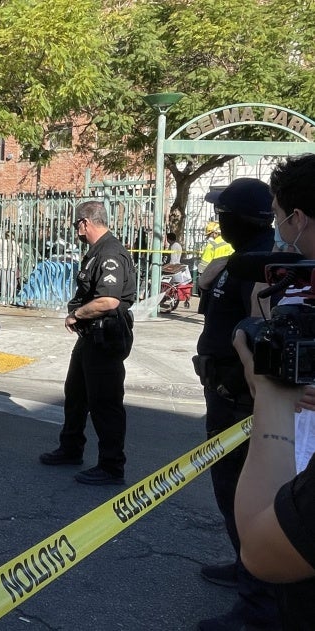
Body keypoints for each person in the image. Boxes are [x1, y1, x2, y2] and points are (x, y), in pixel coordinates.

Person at [192, 178, 280, 631]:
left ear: (239, 219)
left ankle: (257, 602)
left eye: (222, 213)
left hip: (238, 400)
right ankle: (246, 563)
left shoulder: (260, 265)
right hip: (225, 391)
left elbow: (263, 334)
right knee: (230, 493)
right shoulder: (245, 258)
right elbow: (209, 290)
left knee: (241, 492)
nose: (217, 220)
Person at [233, 153, 315, 630]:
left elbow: (260, 548)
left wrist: (269, 396)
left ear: (296, 217)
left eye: (279, 211)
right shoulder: (296, 276)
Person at [39, 200, 135, 486]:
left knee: (105, 403)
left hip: (105, 338)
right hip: (90, 337)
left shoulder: (110, 253)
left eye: (76, 226)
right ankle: (70, 448)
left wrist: (75, 315)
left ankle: (111, 466)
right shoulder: (97, 252)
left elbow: (109, 300)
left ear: (84, 223)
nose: (76, 232)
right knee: (76, 394)